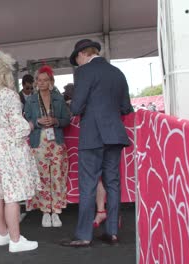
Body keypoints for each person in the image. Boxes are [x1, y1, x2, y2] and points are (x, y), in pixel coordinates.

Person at [61, 39, 133, 247]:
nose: (78, 64)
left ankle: (84, 235)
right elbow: (126, 107)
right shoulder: (117, 73)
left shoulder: (84, 72)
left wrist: (75, 103)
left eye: (77, 60)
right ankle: (112, 232)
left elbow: (76, 107)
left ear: (83, 54)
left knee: (88, 184)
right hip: (115, 135)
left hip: (93, 136)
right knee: (113, 183)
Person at [0, 50, 39, 253]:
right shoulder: (9, 95)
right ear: (6, 74)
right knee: (12, 196)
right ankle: (15, 240)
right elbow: (18, 126)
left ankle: (2, 234)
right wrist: (29, 125)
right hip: (9, 147)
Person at [24, 65, 71, 228]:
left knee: (57, 176)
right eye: (39, 80)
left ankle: (56, 211)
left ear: (51, 81)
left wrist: (56, 121)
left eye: (45, 80)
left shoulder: (58, 98)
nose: (42, 83)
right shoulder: (30, 100)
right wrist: (37, 122)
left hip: (56, 142)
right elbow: (26, 120)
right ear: (36, 82)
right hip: (39, 142)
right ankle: (45, 211)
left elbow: (67, 119)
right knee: (42, 177)